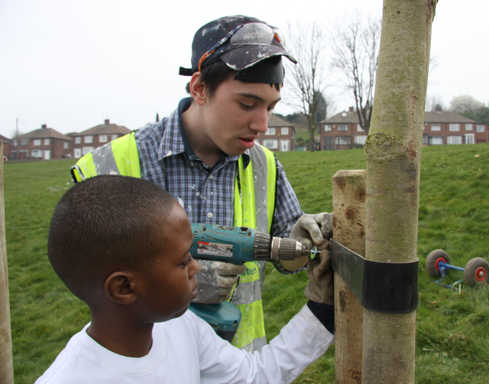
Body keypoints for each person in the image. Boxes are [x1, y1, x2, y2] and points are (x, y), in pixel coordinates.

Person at [70, 14, 332, 351]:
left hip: (239, 365)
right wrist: (179, 287)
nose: (262, 124)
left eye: (270, 106)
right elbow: (90, 279)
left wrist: (300, 243)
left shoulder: (264, 165)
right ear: (199, 89)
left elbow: (288, 254)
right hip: (148, 366)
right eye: (247, 104)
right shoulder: (113, 166)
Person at [36, 175, 334, 383]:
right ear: (124, 287)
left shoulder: (180, 327)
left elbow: (255, 376)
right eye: (183, 261)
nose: (197, 267)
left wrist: (322, 309)